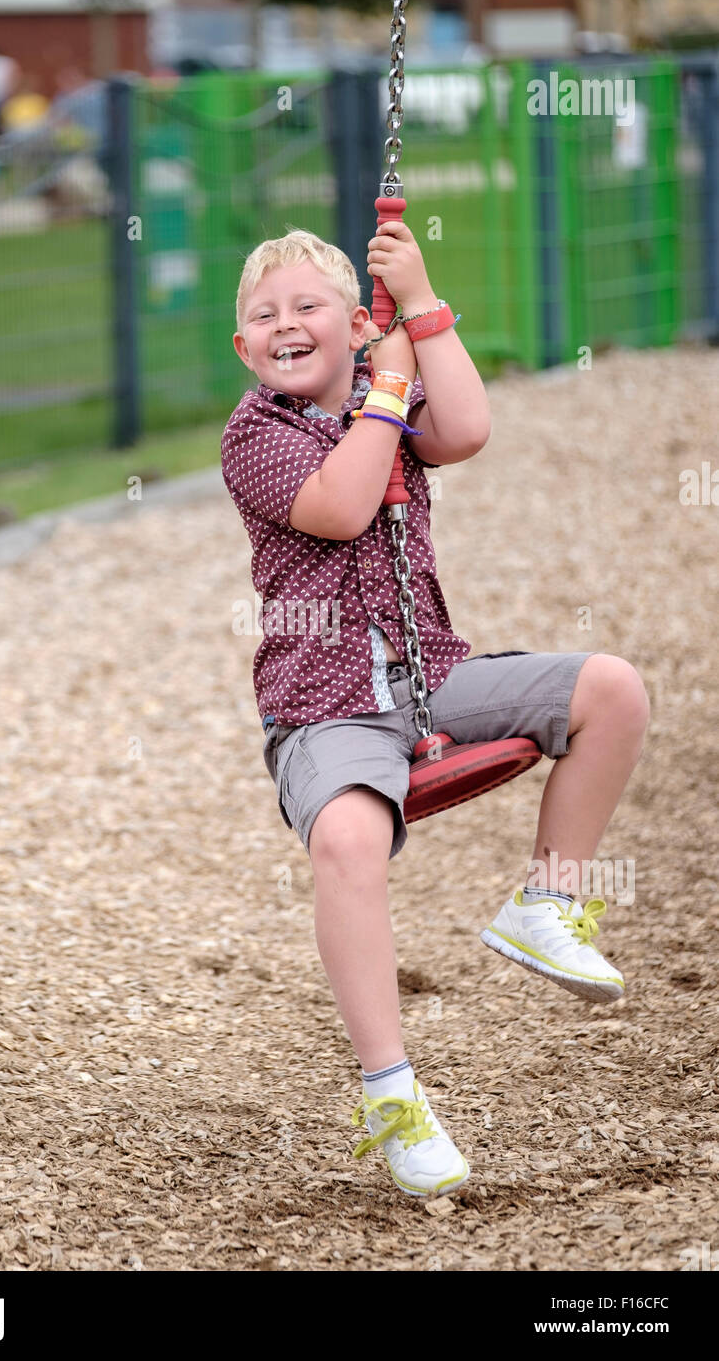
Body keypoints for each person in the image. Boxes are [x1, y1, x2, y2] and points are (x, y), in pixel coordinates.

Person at [220, 224, 650, 1199]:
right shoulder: (256, 435)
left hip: (430, 678)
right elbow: (340, 503)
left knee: (611, 691)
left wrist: (419, 307)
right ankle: (391, 1091)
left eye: (306, 307)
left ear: (353, 323)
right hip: (324, 711)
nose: (285, 324)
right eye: (263, 316)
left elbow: (464, 428)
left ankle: (547, 901)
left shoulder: (396, 398)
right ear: (244, 350)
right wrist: (382, 383)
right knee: (344, 841)